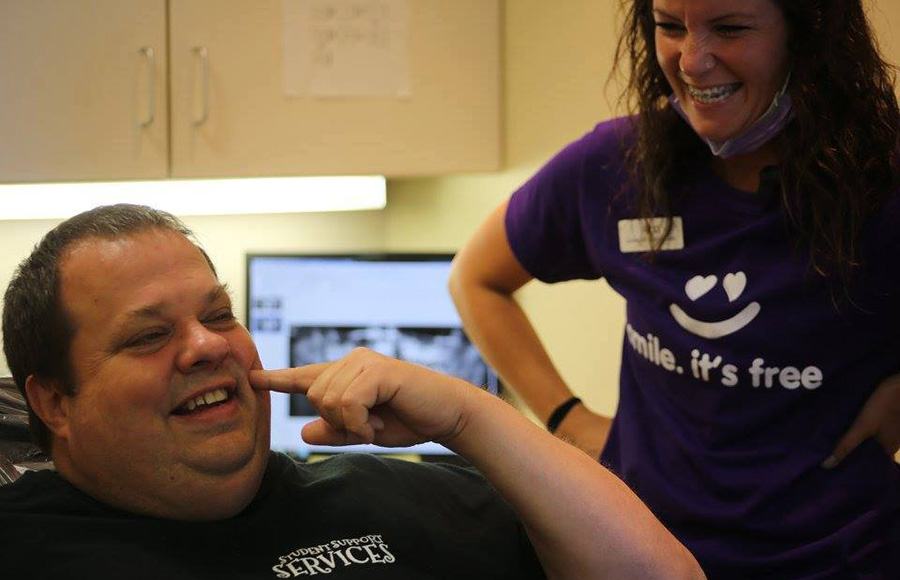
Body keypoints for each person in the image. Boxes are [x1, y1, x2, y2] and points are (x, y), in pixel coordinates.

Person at [0, 204, 703, 579]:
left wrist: (467, 415)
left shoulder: (399, 495)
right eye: (149, 336)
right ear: (55, 402)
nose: (209, 345)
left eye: (219, 316)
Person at [449, 0, 900, 577]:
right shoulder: (618, 164)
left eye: (730, 29)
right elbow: (477, 278)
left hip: (838, 558)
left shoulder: (880, 183)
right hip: (646, 552)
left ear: (808, 34)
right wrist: (567, 419)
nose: (691, 61)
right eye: (668, 26)